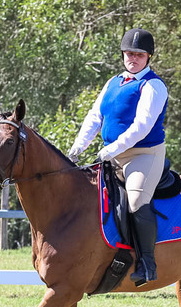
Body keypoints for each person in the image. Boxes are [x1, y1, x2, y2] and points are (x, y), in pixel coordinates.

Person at [67, 28, 168, 286]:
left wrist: (112, 149)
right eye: (128, 53)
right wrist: (78, 147)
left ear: (148, 57)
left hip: (143, 155)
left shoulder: (153, 85)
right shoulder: (113, 82)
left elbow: (142, 125)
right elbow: (95, 116)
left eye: (138, 54)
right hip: (112, 157)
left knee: (135, 200)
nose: (132, 58)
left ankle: (147, 264)